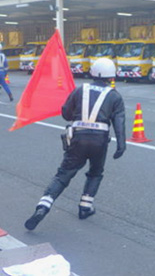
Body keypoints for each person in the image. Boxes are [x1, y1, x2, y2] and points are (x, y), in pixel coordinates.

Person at [25, 58, 126, 230]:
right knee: (95, 173)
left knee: (63, 174)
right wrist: (121, 145)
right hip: (99, 141)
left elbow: (66, 112)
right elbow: (119, 122)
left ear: (93, 72)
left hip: (78, 138)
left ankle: (43, 206)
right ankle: (85, 207)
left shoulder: (80, 90)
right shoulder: (115, 96)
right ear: (111, 76)